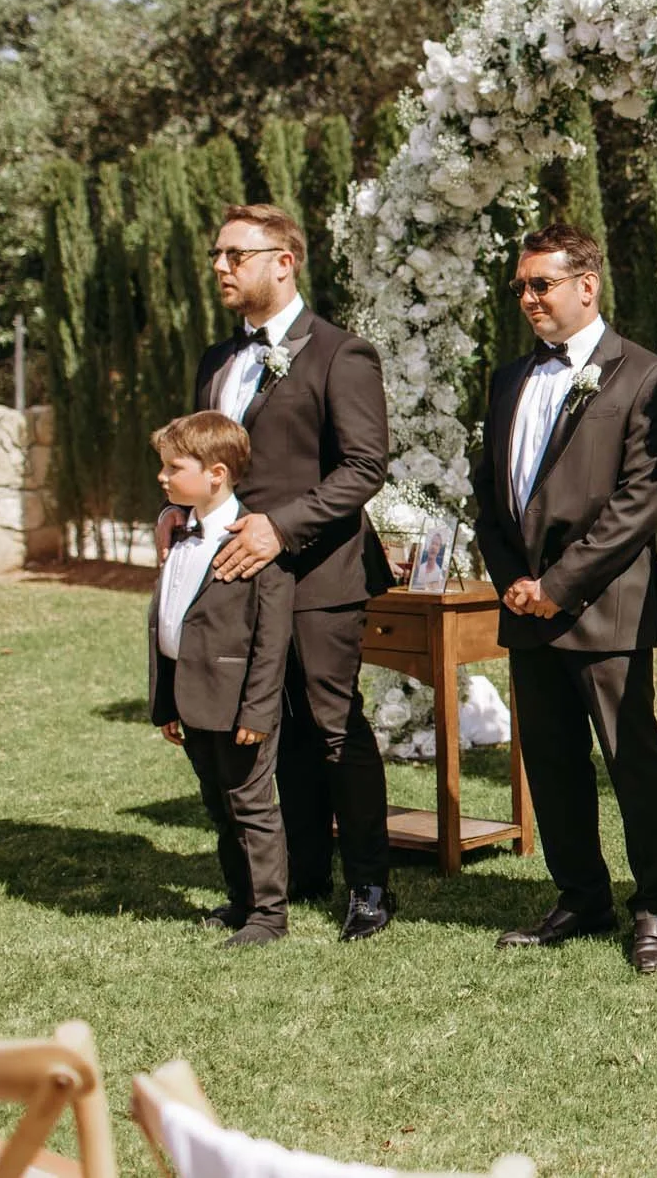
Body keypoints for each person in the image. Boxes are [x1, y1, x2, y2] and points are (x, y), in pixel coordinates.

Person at [470, 223, 657, 973]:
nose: (528, 298)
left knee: (632, 759)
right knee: (552, 760)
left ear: (586, 286)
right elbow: (488, 496)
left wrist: (558, 586)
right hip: (524, 605)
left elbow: (640, 501)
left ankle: (655, 904)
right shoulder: (507, 380)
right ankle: (580, 894)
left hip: (606, 606)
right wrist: (512, 582)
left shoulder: (645, 375)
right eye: (522, 287)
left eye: (542, 284)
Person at [194, 204, 397, 942]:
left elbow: (366, 467)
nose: (221, 266)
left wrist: (280, 527)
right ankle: (298, 870)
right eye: (216, 255)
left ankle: (370, 882)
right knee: (262, 725)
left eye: (235, 254)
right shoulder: (216, 361)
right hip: (236, 578)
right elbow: (206, 463)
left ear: (284, 261)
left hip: (320, 572)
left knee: (332, 725)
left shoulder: (341, 354)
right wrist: (177, 509)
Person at [147, 411, 295, 949]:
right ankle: (241, 899)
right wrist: (166, 702)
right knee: (219, 806)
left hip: (238, 706)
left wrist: (257, 712)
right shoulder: (180, 532)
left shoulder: (252, 543)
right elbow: (168, 621)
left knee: (251, 807)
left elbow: (270, 642)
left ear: (216, 473)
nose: (162, 478)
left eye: (173, 467)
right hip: (192, 700)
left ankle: (269, 915)